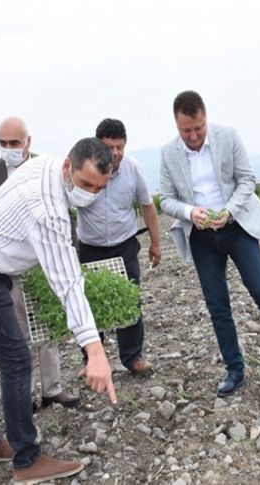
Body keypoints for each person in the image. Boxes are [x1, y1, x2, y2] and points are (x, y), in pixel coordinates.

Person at [0, 137, 117, 483]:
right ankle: (27, 459)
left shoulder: (49, 165)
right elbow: (68, 283)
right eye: (85, 184)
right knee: (17, 361)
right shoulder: (48, 211)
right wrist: (94, 350)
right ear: (69, 166)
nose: (89, 194)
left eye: (98, 188)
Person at [159, 90, 260, 397]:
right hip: (201, 236)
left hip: (235, 225)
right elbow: (166, 199)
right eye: (185, 130)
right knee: (218, 306)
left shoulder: (228, 137)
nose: (192, 136)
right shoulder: (168, 153)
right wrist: (191, 212)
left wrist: (228, 210)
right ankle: (234, 368)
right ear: (177, 125)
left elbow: (246, 180)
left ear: (205, 117)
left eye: (197, 128)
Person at [0, 117, 80, 410]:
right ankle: (27, 394)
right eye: (3, 143)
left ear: (27, 142)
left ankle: (52, 389)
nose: (9, 148)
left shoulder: (45, 169)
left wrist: (69, 252)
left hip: (42, 261)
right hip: (8, 267)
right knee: (18, 333)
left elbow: (63, 213)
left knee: (47, 327)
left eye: (14, 143)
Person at [77, 118, 161, 374]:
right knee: (90, 304)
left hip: (124, 244)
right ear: (97, 146)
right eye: (109, 147)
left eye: (119, 147)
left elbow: (147, 205)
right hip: (90, 247)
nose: (115, 153)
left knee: (129, 300)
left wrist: (155, 243)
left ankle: (132, 356)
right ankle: (92, 360)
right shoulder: (84, 170)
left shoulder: (133, 169)